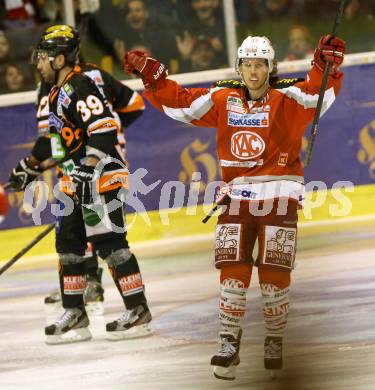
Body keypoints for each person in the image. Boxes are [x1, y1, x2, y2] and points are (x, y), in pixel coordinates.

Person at [123, 34, 345, 379]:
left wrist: (325, 66)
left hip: (280, 196)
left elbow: (320, 96)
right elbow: (181, 104)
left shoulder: (289, 97)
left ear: (271, 68)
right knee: (232, 272)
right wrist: (153, 78)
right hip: (237, 197)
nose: (254, 72)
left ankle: (274, 339)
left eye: (260, 65)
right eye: (248, 65)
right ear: (239, 67)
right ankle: (228, 340)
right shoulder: (223, 98)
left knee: (274, 272)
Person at [8, 24, 152, 345]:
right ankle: (75, 313)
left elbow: (104, 131)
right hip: (77, 180)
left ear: (60, 59)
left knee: (110, 244)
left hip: (101, 176)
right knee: (69, 245)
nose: (38, 64)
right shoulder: (57, 93)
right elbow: (59, 143)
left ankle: (138, 309)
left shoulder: (80, 86)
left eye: (43, 58)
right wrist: (36, 167)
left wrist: (88, 169)